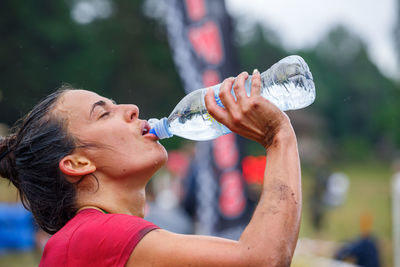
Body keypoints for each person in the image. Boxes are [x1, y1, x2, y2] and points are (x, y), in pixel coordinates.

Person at [0, 70, 302, 266]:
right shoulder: (94, 235)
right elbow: (262, 260)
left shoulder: (99, 238)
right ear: (78, 163)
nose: (132, 109)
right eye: (104, 114)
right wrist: (278, 137)